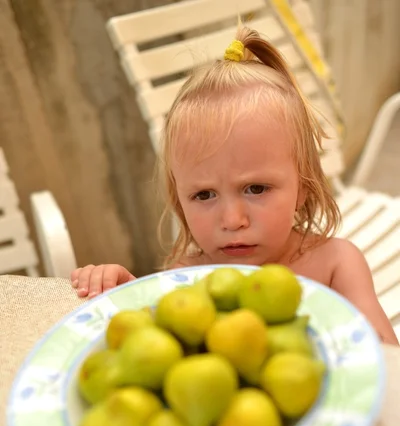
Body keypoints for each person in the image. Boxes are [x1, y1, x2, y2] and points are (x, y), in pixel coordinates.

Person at [71, 26, 398, 344]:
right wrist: (129, 293)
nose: (232, 220)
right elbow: (163, 354)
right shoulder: (188, 278)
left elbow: (388, 359)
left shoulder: (336, 263)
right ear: (178, 200)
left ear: (304, 188)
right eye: (204, 194)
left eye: (256, 188)